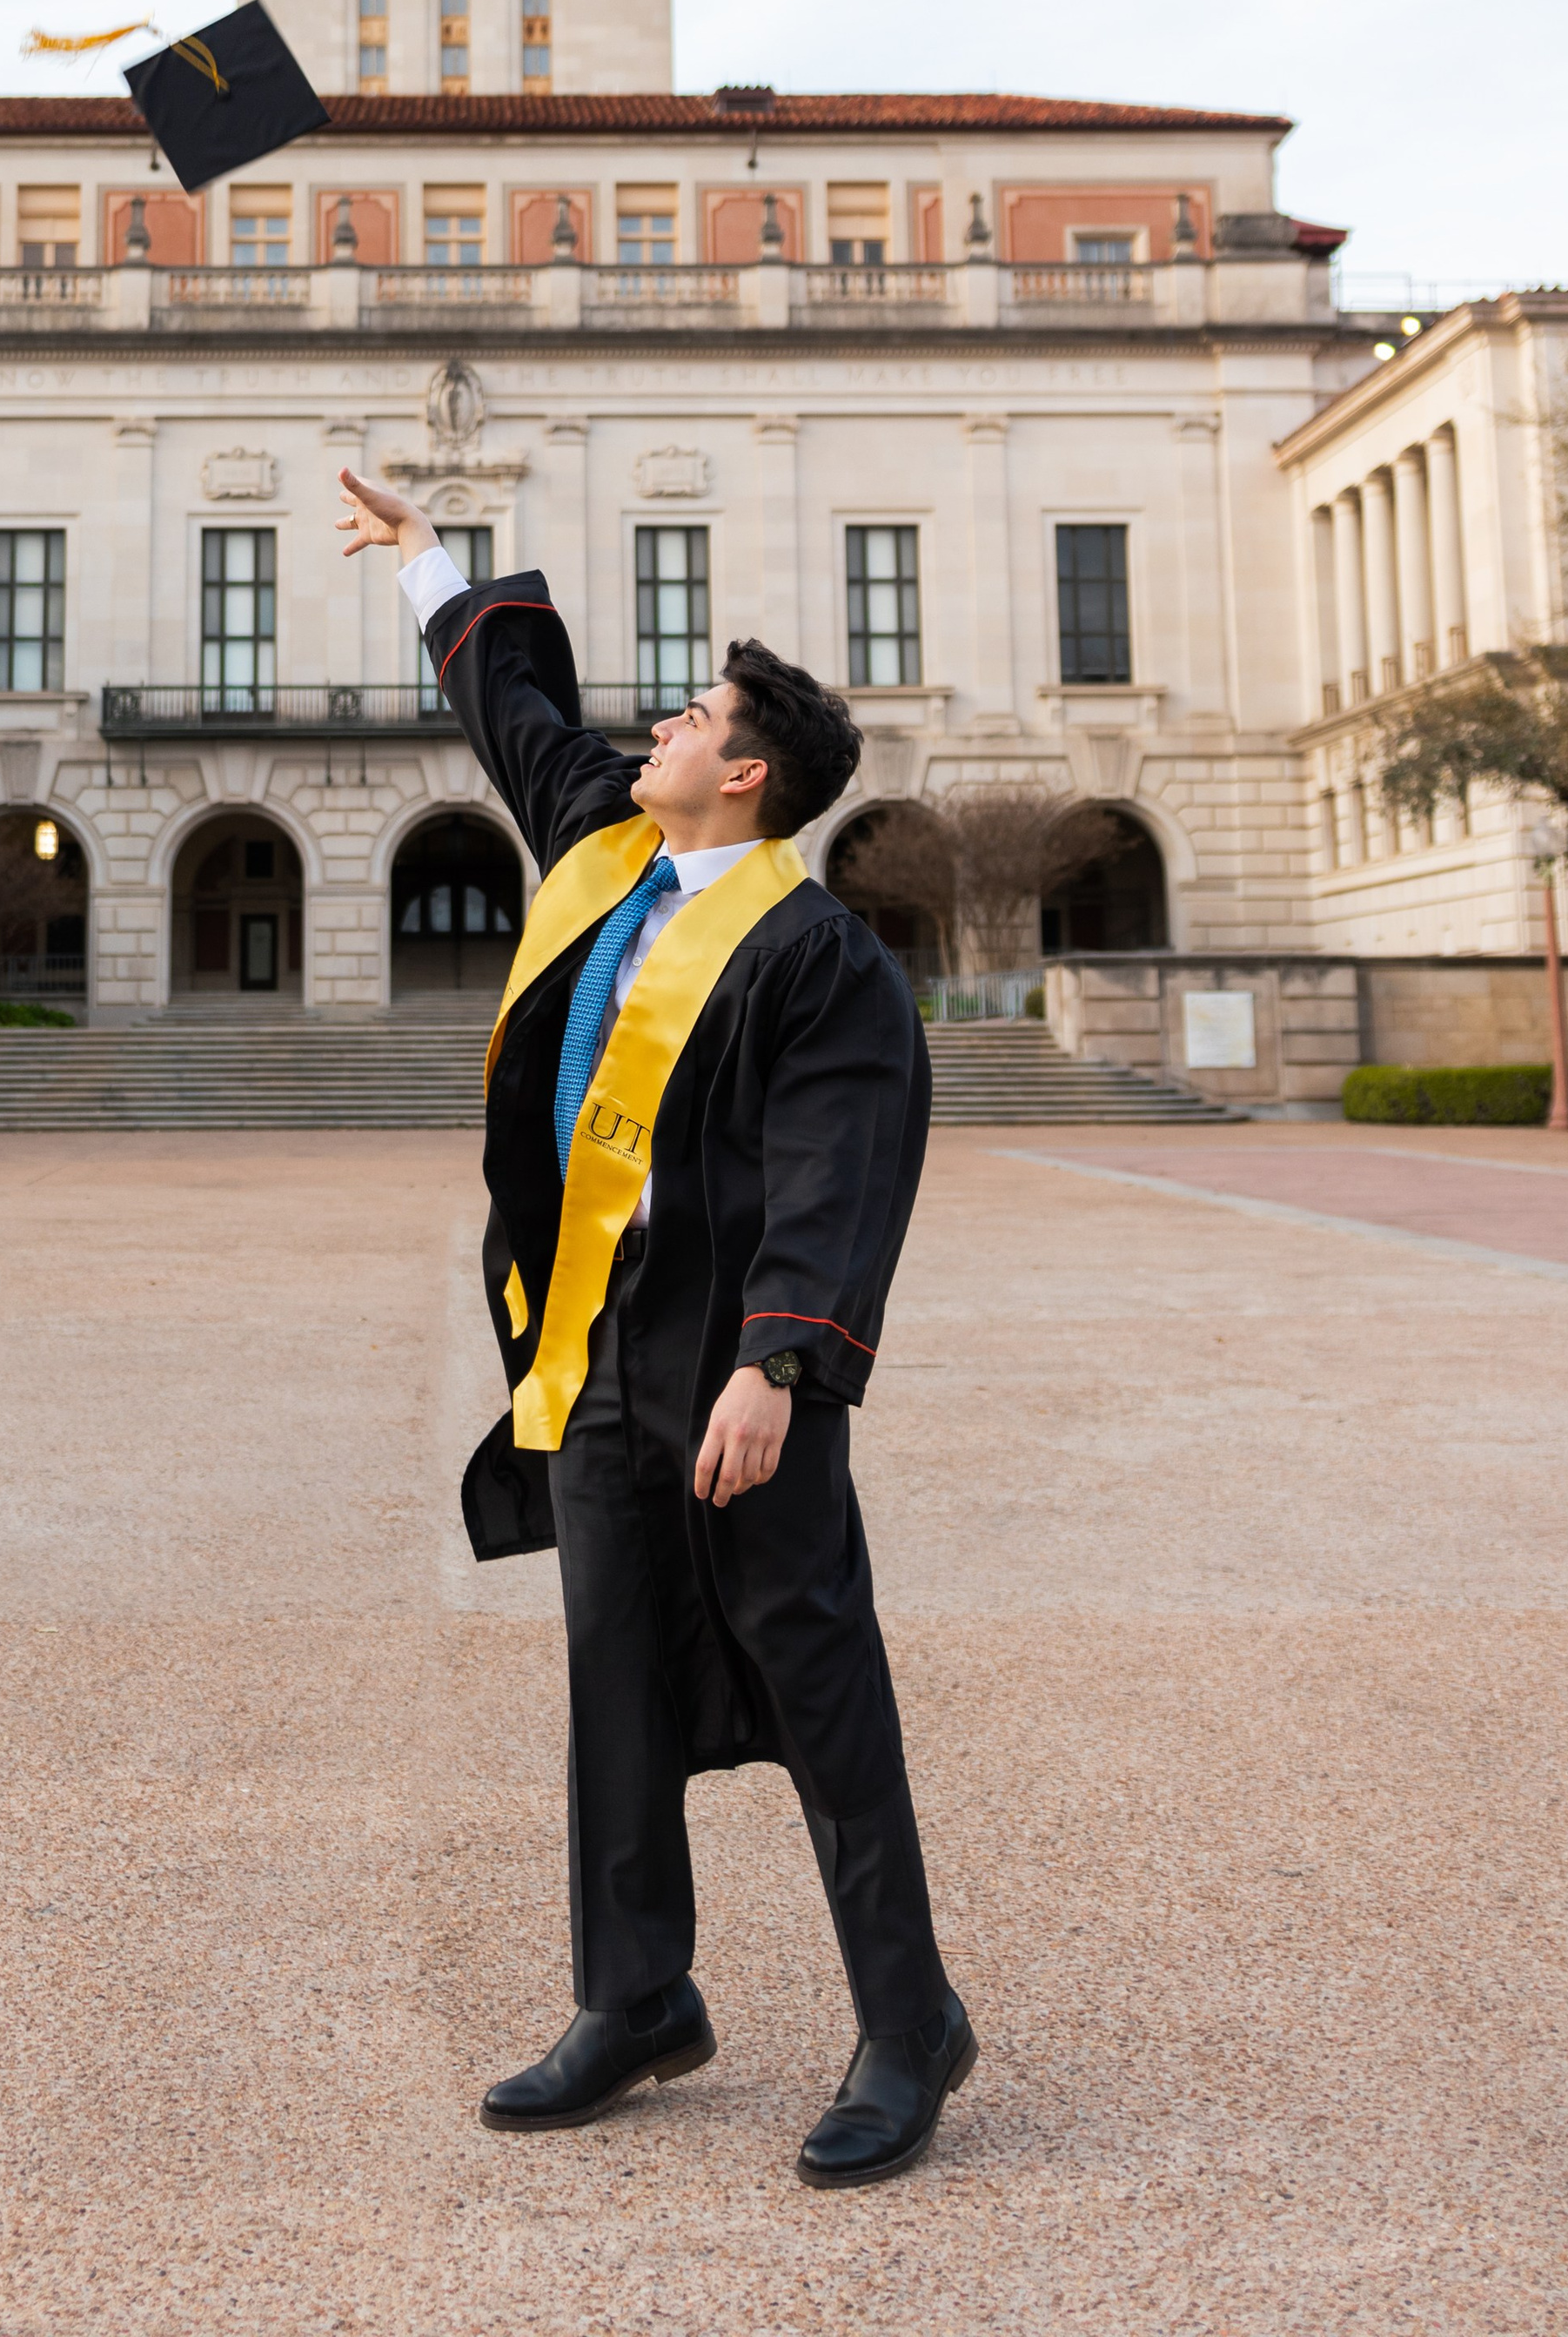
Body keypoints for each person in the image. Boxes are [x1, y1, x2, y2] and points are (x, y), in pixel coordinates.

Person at [334, 470, 975, 2189]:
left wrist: (783, 1365)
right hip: (594, 1375)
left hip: (731, 1379)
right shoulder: (609, 855)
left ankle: (907, 2027)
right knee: (610, 1684)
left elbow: (840, 1163)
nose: (654, 728)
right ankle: (635, 1999)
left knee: (818, 1686)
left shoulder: (815, 954)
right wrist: (428, 566)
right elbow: (515, 715)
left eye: (688, 716)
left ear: (744, 773)